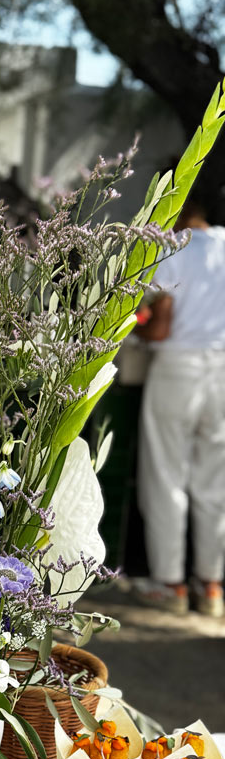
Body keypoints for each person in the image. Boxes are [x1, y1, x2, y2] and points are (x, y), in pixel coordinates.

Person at [136, 196, 225, 617]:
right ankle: (211, 586)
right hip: (222, 369)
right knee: (214, 481)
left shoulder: (173, 246)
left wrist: (135, 330)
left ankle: (170, 584)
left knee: (167, 474)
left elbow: (162, 325)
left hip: (178, 367)